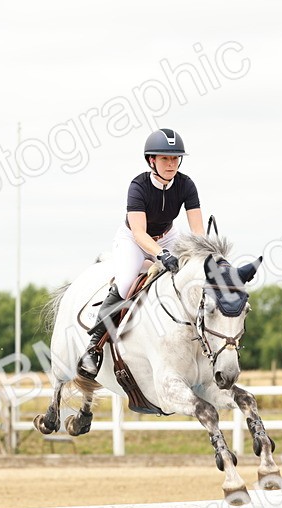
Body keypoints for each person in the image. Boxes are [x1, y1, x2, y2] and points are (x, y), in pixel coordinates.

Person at [78, 127, 204, 378]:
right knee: (125, 284)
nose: (172, 163)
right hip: (133, 240)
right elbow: (139, 233)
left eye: (176, 158)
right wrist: (162, 255)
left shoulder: (186, 184)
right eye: (165, 158)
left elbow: (198, 232)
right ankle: (94, 347)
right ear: (151, 160)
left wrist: (203, 257)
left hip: (169, 236)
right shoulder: (138, 186)